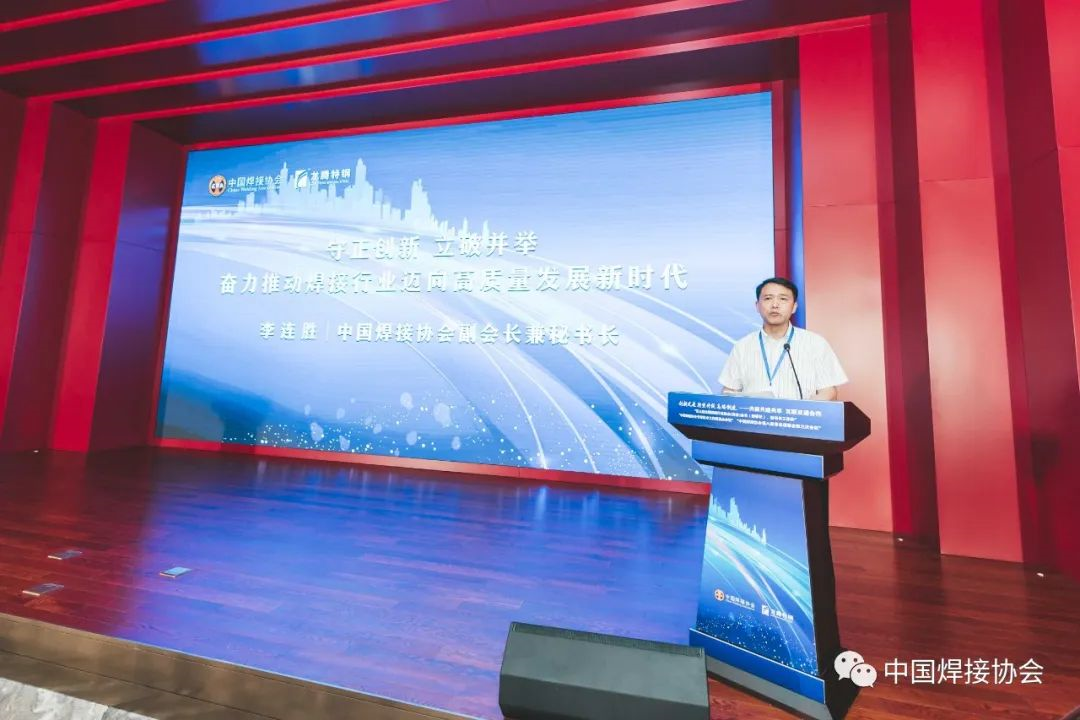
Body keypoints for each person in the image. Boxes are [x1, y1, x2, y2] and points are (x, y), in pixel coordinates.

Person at [718, 277, 847, 400]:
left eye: (783, 299)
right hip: (755, 416)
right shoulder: (742, 346)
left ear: (794, 307)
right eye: (768, 298)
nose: (775, 305)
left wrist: (804, 411)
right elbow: (729, 391)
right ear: (757, 306)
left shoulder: (815, 343)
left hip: (799, 416)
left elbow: (829, 392)